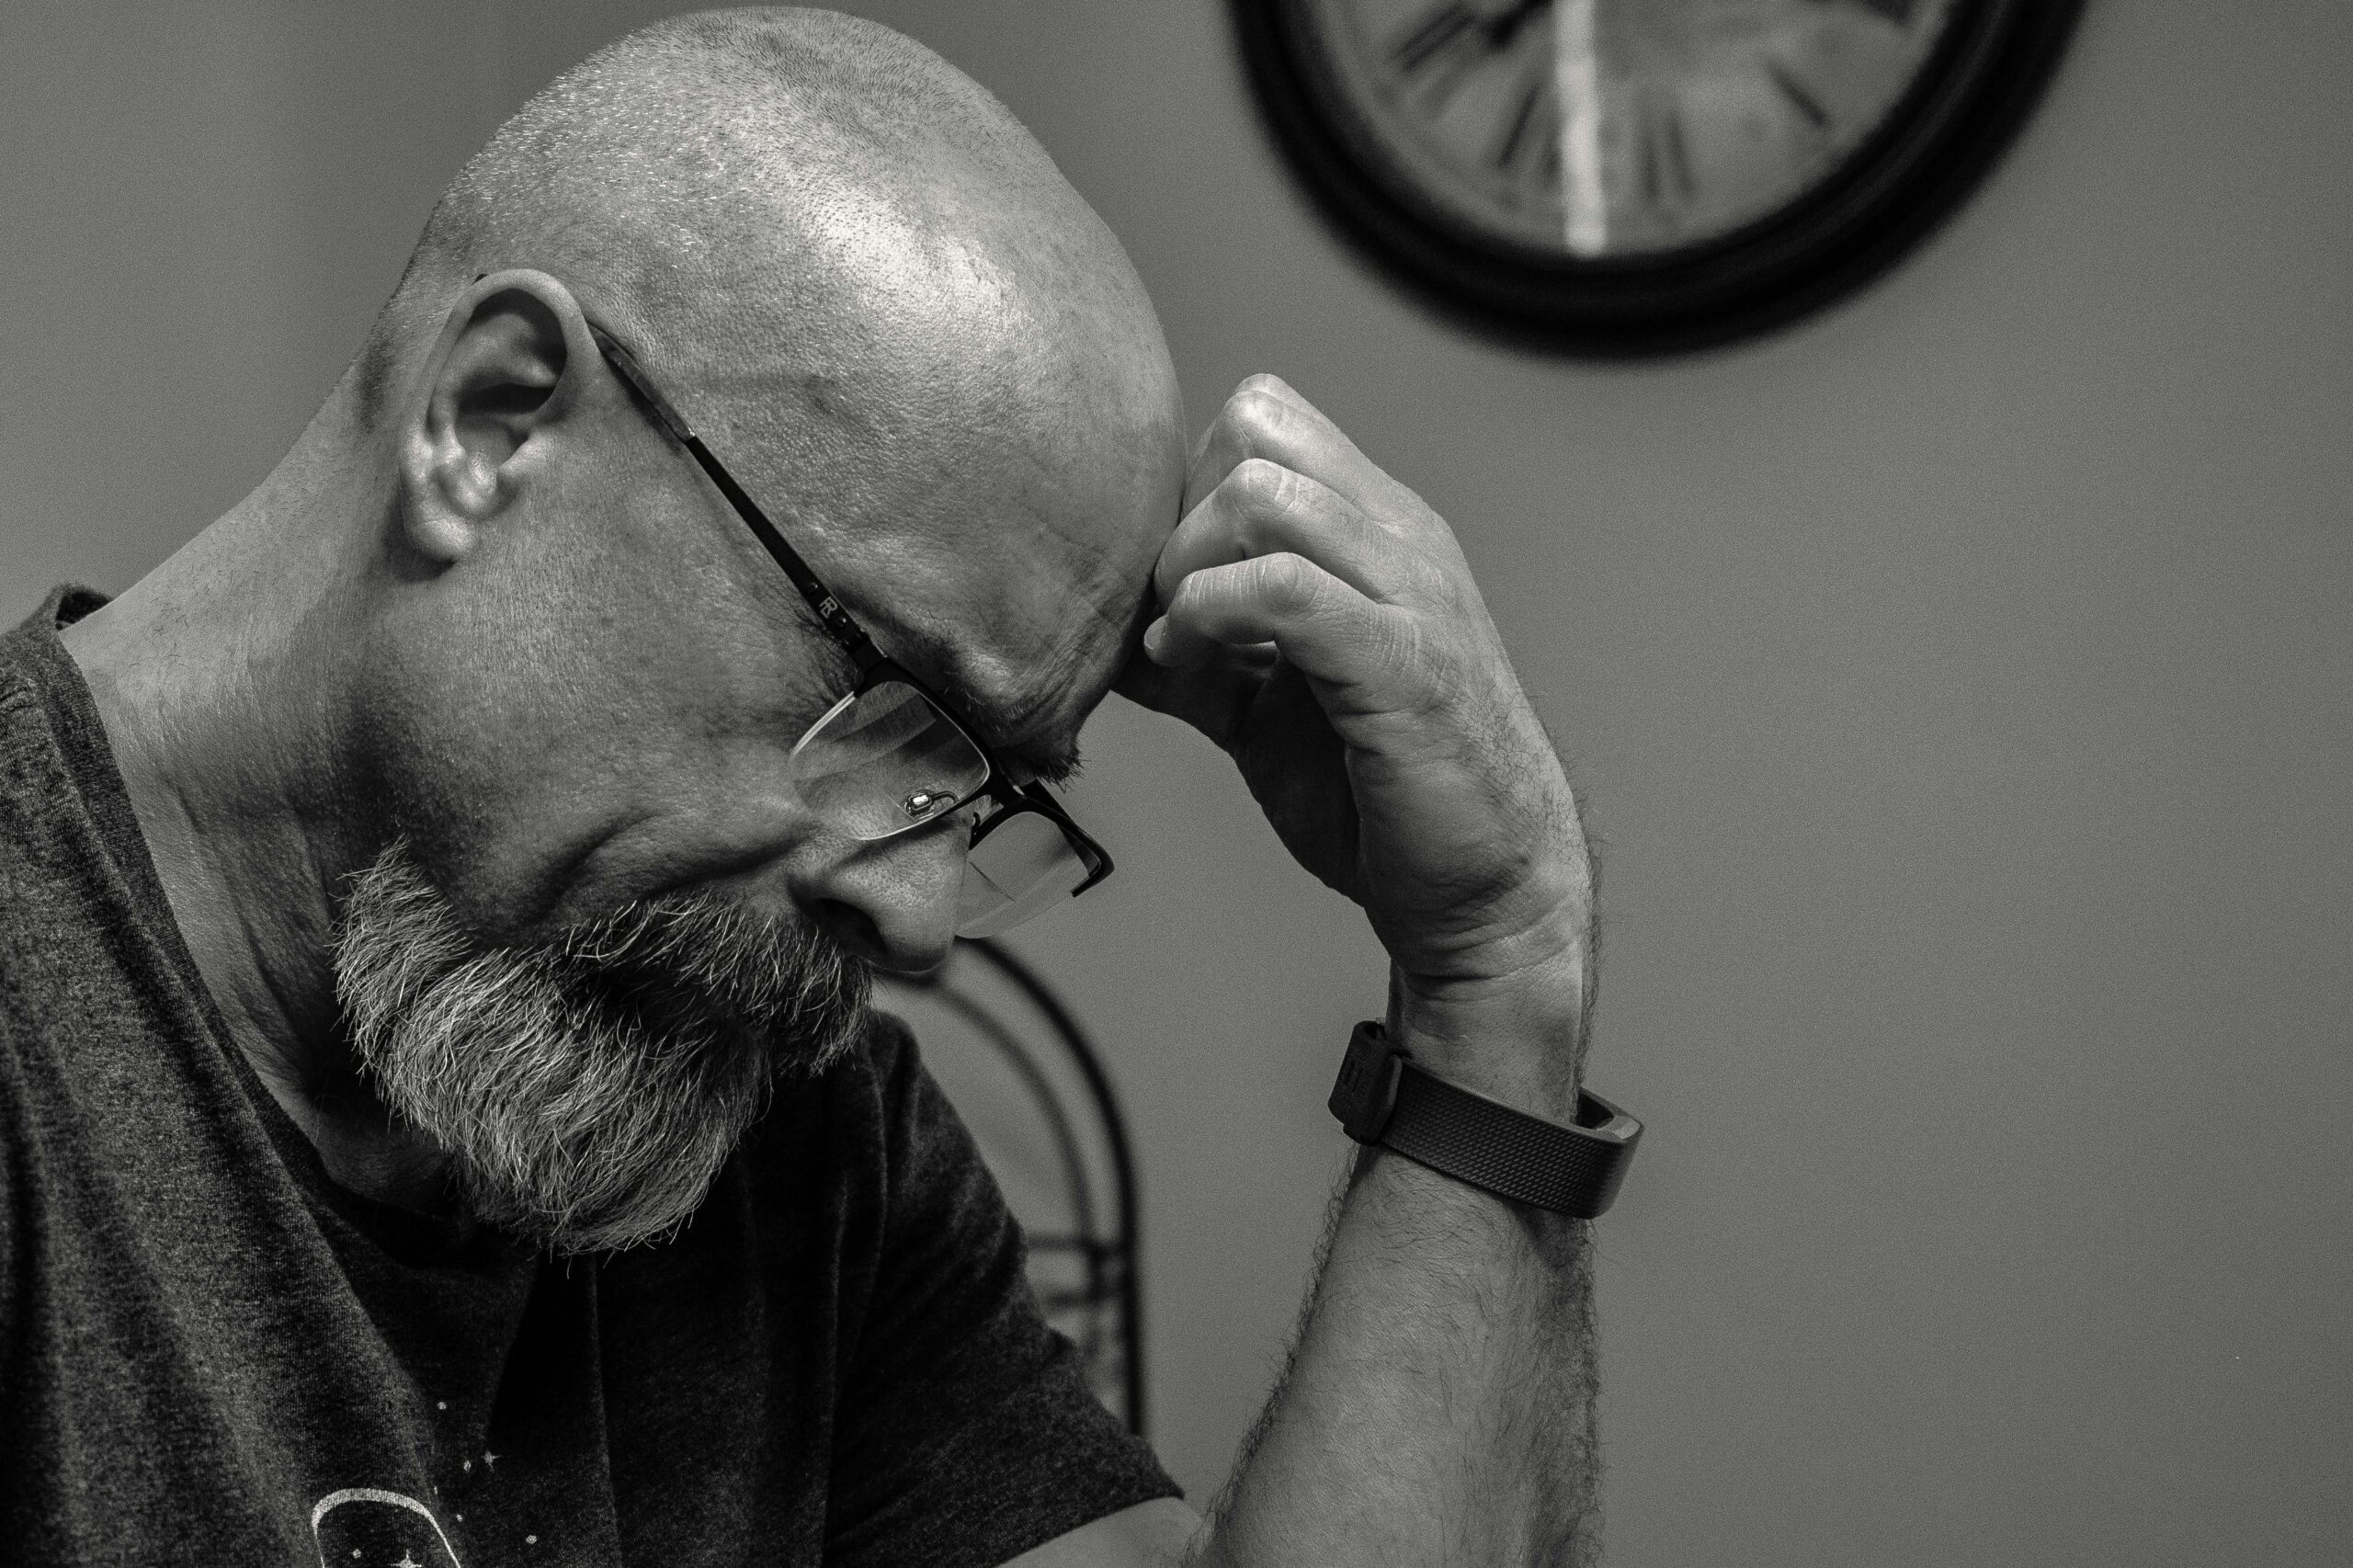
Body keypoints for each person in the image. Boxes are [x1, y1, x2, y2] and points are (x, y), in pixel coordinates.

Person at [0, 9, 1611, 1565]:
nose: (919, 923)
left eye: (983, 792)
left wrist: (1492, 971)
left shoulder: (796, 1143)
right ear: (490, 422)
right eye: (886, 700)